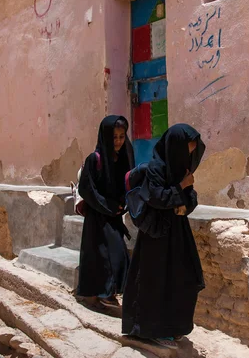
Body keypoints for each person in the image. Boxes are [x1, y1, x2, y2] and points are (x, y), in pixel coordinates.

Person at [122, 124, 206, 349]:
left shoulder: (181, 168)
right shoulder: (156, 169)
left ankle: (173, 326)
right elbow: (156, 198)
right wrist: (181, 187)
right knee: (155, 282)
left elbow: (191, 198)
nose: (188, 156)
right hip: (157, 236)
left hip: (178, 234)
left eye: (191, 152)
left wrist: (183, 206)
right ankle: (150, 330)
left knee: (182, 279)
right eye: (185, 151)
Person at [76, 115, 135, 308]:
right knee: (104, 254)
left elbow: (128, 181)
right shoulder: (95, 159)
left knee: (113, 254)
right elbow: (86, 189)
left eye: (121, 136)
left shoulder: (124, 155)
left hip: (113, 215)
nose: (118, 141)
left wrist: (122, 204)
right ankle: (105, 294)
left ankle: (107, 293)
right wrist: (107, 205)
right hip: (98, 215)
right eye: (114, 137)